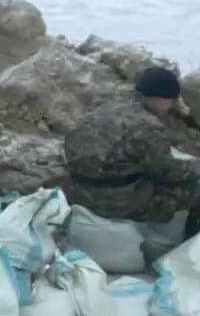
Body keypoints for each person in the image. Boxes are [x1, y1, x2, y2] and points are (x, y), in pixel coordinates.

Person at [64, 67, 200, 234]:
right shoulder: (147, 126)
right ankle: (188, 246)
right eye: (171, 101)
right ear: (159, 99)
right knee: (194, 190)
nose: (171, 106)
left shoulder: (105, 107)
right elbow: (164, 171)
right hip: (110, 201)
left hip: (74, 190)